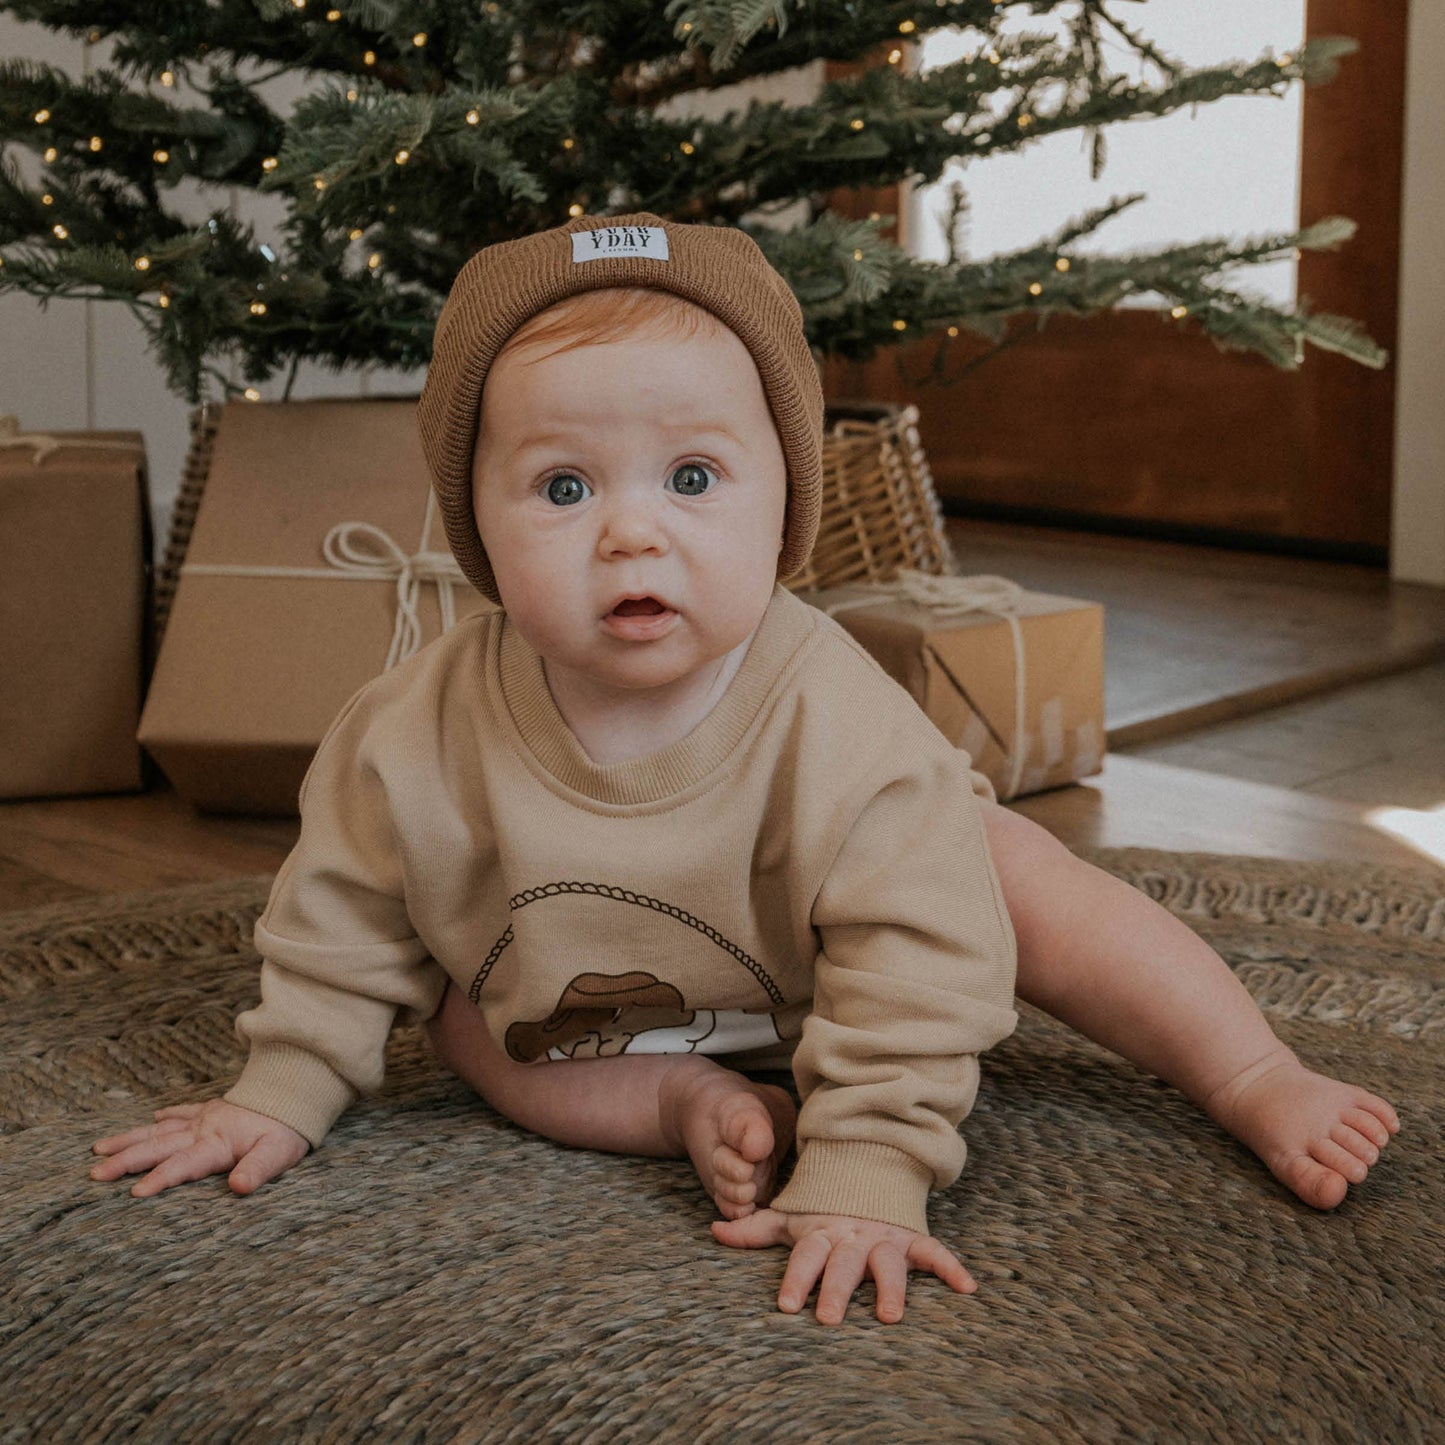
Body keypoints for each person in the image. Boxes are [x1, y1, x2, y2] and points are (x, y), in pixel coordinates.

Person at [92, 214, 1400, 1327]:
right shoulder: (411, 728)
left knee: (1014, 878)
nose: (630, 532)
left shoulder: (834, 710)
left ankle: (1243, 1066)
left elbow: (914, 959)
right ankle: (676, 1101)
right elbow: (342, 918)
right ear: (473, 522)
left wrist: (870, 1164)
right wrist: (280, 1088)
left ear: (782, 502)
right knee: (464, 1029)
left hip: (835, 962)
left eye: (695, 474)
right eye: (559, 488)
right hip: (574, 1006)